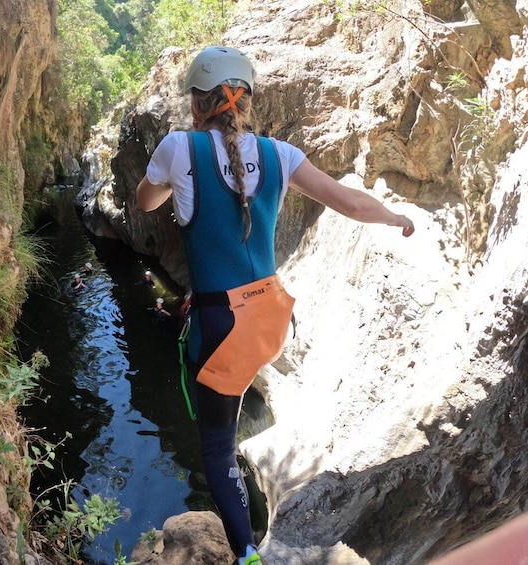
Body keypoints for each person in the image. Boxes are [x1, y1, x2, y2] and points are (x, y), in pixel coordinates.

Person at [136, 45, 415, 565]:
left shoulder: (179, 148)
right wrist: (395, 217)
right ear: (246, 101)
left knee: (218, 451)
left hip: (220, 325)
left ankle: (247, 555)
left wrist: (168, 182)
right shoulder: (279, 154)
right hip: (269, 318)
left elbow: (145, 202)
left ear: (199, 105)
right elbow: (351, 202)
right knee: (236, 391)